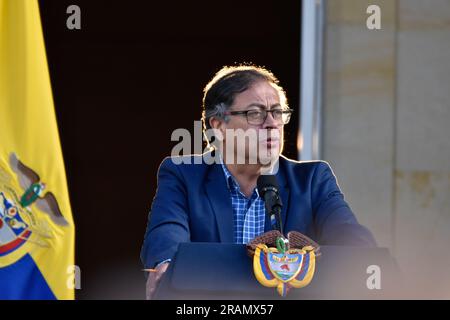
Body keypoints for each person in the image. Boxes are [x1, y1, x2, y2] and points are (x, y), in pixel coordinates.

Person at [140, 65, 376, 299]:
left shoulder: (313, 180)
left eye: (277, 112)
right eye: (255, 113)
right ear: (219, 125)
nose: (272, 123)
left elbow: (354, 242)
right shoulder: (183, 175)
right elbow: (167, 232)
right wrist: (166, 266)